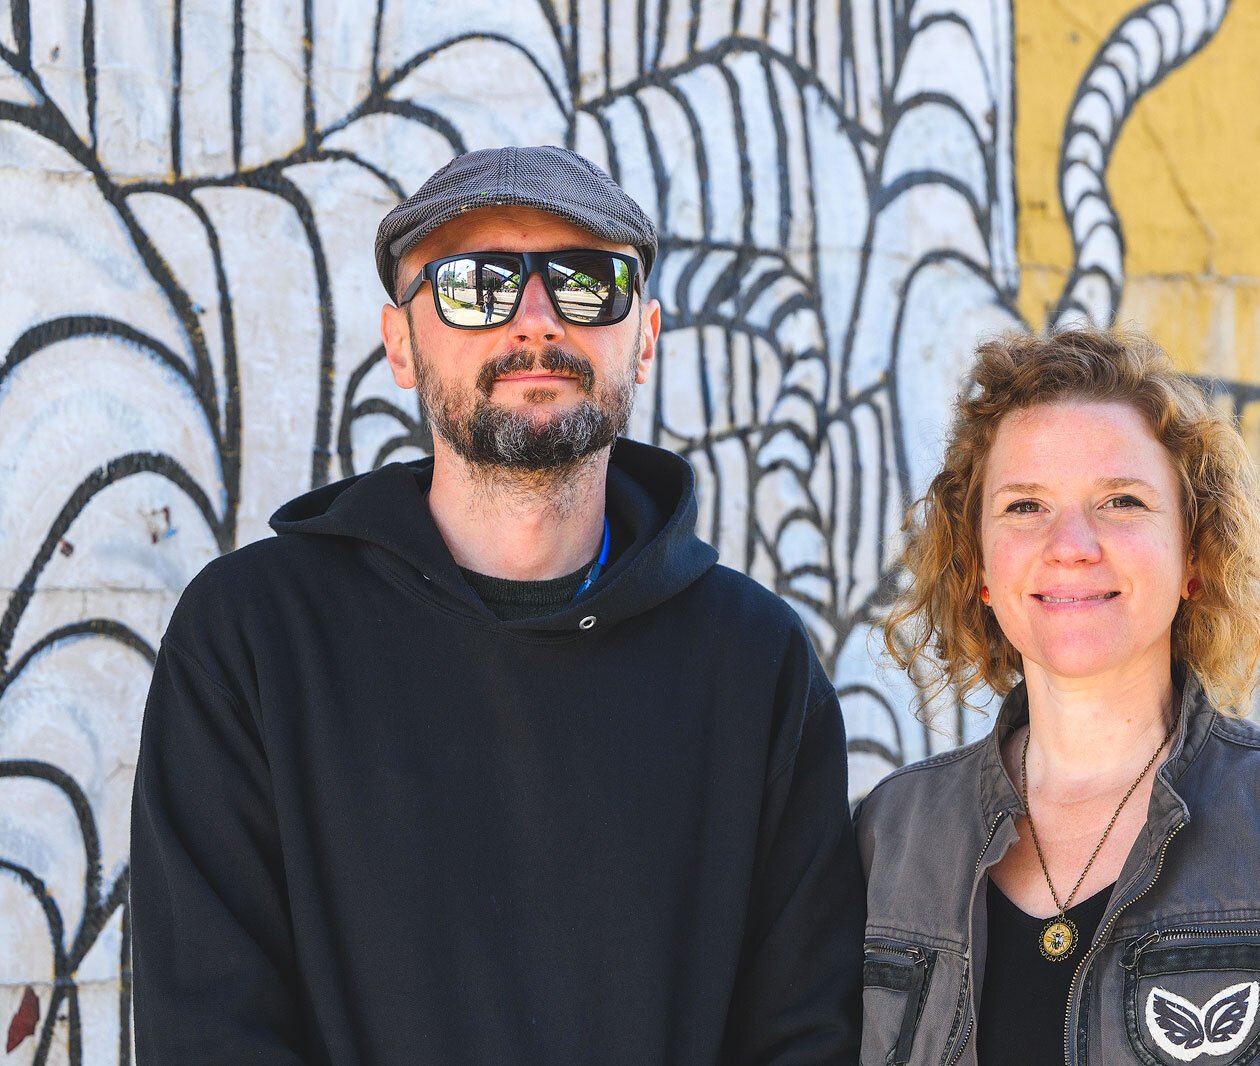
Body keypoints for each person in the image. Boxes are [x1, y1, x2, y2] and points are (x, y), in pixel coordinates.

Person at [131, 145, 865, 1065]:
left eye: (587, 282)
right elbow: (208, 1030)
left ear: (644, 335)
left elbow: (801, 1035)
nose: (536, 318)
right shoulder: (252, 638)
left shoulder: (758, 664)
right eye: (475, 285)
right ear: (401, 343)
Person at [854, 329, 1260, 1065]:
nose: (1072, 543)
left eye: (1121, 500)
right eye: (1026, 507)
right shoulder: (888, 838)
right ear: (981, 566)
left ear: (1193, 556)